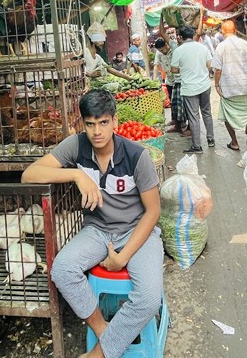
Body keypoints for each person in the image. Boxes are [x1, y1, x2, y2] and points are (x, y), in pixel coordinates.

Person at [21, 89, 162, 358]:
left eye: (104, 122)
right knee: (62, 270)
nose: (97, 131)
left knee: (149, 297)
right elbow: (29, 175)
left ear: (115, 121)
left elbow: (153, 212)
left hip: (137, 231)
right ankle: (103, 329)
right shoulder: (76, 146)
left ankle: (99, 354)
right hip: (97, 230)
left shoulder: (136, 156)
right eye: (90, 124)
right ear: (82, 124)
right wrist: (75, 174)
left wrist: (122, 258)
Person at [212, 20, 247, 153]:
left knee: (227, 115)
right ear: (235, 30)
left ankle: (235, 142)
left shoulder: (221, 47)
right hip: (245, 86)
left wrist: (216, 84)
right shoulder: (245, 44)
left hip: (229, 88)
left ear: (222, 31)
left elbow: (218, 70)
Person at [171, 25, 214, 153]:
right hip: (205, 85)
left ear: (181, 37)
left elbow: (173, 69)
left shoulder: (179, 50)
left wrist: (184, 68)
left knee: (194, 117)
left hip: (190, 88)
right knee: (207, 112)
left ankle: (197, 146)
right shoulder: (202, 47)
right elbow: (209, 65)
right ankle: (211, 139)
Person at [155, 16, 188, 136]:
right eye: (177, 35)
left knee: (182, 105)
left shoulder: (177, 47)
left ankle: (182, 125)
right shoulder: (175, 46)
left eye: (180, 35)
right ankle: (178, 124)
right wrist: (162, 16)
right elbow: (162, 32)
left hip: (182, 81)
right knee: (175, 104)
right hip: (173, 81)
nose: (178, 38)